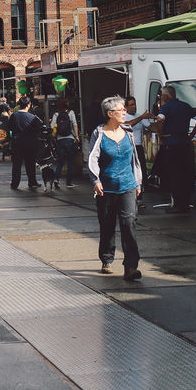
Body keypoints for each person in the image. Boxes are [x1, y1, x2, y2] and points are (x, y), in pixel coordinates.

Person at [86, 96, 144, 280]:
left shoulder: (128, 131)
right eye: (122, 109)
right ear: (110, 113)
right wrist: (95, 180)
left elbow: (134, 159)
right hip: (107, 188)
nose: (125, 111)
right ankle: (107, 259)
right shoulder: (99, 134)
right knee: (107, 225)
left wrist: (138, 182)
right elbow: (92, 158)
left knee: (129, 224)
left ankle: (131, 267)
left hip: (127, 185)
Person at [153, 86, 196, 213]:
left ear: (165, 97)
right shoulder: (185, 106)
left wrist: (161, 133)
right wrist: (191, 135)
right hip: (185, 143)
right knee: (185, 173)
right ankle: (185, 203)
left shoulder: (166, 107)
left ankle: (177, 205)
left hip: (171, 144)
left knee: (174, 175)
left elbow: (159, 119)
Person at [8, 96, 44, 190]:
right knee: (30, 164)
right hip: (30, 143)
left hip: (17, 143)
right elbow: (38, 130)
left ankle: (14, 183)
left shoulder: (14, 116)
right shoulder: (32, 117)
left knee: (16, 164)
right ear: (29, 105)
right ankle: (32, 182)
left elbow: (10, 128)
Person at [50, 98, 80, 188]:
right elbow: (75, 124)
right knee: (70, 161)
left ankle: (56, 179)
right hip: (70, 139)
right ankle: (69, 182)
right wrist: (77, 136)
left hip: (60, 140)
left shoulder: (56, 114)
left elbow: (52, 127)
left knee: (60, 161)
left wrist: (54, 136)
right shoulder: (71, 113)